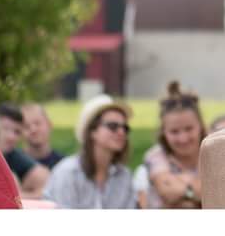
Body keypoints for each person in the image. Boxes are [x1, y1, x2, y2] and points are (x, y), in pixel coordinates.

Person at [43, 94, 136, 209]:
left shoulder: (124, 176)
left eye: (125, 128)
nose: (121, 132)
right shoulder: (68, 173)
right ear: (92, 131)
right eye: (113, 126)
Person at [142, 81, 207, 209]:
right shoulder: (155, 155)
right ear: (163, 132)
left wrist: (182, 187)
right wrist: (196, 190)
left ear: (200, 125)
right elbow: (167, 192)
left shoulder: (212, 153)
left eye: (189, 129)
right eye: (174, 132)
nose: (183, 138)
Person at [0, 102, 50, 197]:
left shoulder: (14, 155)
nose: (11, 137)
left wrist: (17, 195)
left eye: (17, 132)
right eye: (5, 129)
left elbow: (44, 180)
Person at [20, 102, 64, 169]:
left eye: (37, 123)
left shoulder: (63, 164)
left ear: (49, 125)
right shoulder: (12, 165)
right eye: (26, 126)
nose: (33, 129)